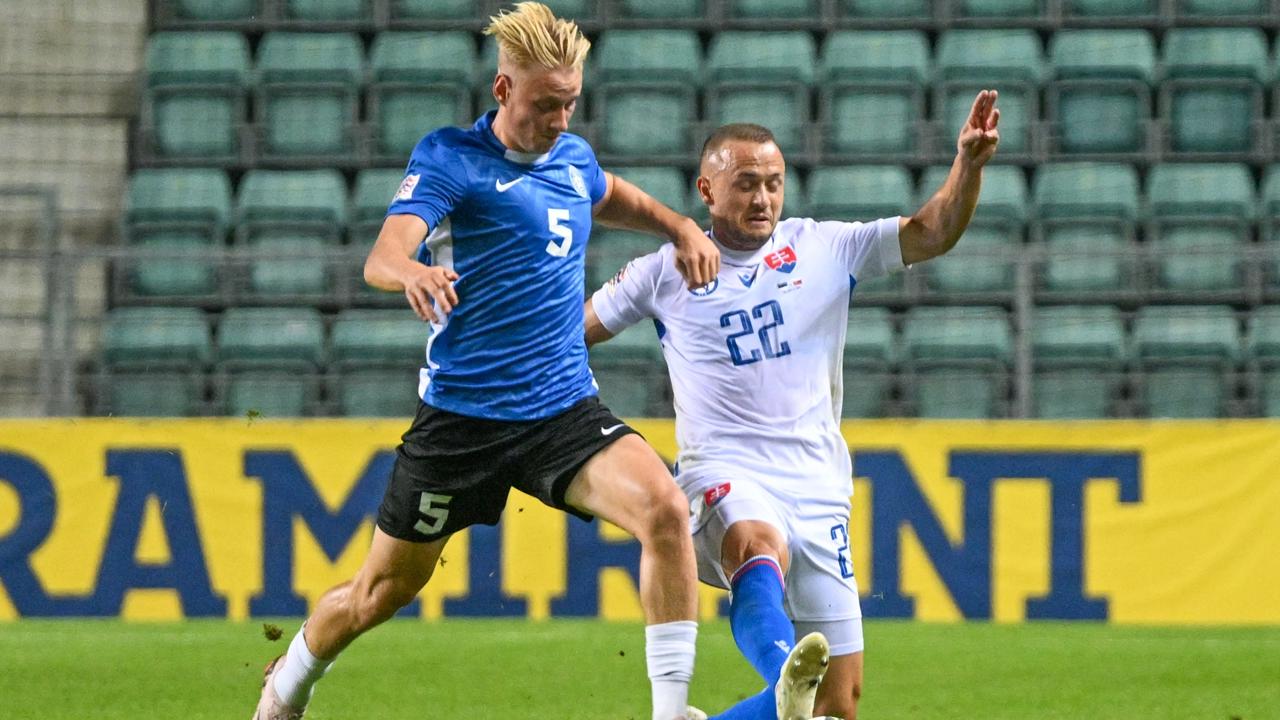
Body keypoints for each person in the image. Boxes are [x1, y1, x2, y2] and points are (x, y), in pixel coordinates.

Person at [253, 4, 721, 719]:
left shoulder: (573, 157)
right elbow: (384, 254)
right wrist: (409, 273)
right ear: (503, 92)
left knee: (663, 508)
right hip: (462, 423)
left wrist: (680, 224)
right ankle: (288, 683)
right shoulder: (451, 158)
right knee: (381, 595)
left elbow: (610, 196)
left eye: (571, 103)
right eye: (544, 105)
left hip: (561, 409)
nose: (560, 120)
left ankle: (670, 711)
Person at [585, 91, 1002, 719]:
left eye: (774, 184)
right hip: (724, 470)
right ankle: (783, 665)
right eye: (746, 183)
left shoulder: (825, 247)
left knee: (837, 706)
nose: (763, 198)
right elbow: (569, 333)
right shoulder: (663, 270)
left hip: (817, 484)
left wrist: (967, 165)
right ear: (707, 189)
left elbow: (932, 231)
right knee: (756, 545)